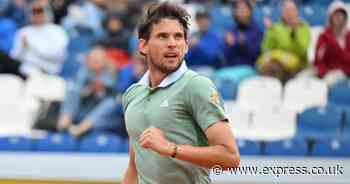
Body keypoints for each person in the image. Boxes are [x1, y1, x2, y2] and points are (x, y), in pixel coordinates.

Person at [121, 3, 240, 184]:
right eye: (163, 36)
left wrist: (171, 148)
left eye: (178, 37)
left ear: (186, 46)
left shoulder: (196, 86)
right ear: (143, 46)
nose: (172, 44)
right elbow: (134, 167)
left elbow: (230, 158)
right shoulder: (132, 94)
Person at [57, 46, 117, 137]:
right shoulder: (84, 71)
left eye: (97, 59)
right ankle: (64, 122)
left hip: (103, 116)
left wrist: (100, 89)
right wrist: (88, 90)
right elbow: (78, 91)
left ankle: (80, 129)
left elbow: (114, 95)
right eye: (92, 59)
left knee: (110, 103)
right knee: (72, 88)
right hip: (84, 108)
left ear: (104, 61)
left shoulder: (111, 73)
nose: (94, 62)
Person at [10, 0, 68, 77]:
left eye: (40, 11)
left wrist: (31, 45)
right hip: (24, 73)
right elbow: (14, 56)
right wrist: (23, 48)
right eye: (34, 12)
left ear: (47, 12)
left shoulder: (58, 31)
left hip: (48, 74)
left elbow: (57, 55)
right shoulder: (23, 32)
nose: (36, 15)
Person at [257, 0, 310, 82]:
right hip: (275, 62)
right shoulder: (275, 27)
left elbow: (301, 51)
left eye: (291, 10)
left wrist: (294, 33)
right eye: (286, 10)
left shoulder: (303, 27)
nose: (289, 13)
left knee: (272, 69)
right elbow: (265, 49)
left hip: (297, 64)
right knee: (270, 67)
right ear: (282, 12)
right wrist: (269, 31)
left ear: (297, 12)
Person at [314, 0, 350, 82]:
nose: (339, 17)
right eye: (336, 15)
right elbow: (318, 60)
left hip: (346, 72)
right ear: (330, 17)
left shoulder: (349, 36)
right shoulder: (323, 37)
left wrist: (338, 51)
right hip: (329, 73)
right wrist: (324, 72)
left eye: (342, 15)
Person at [223, 0, 263, 67]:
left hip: (249, 67)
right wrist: (230, 45)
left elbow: (257, 56)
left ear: (250, 11)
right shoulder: (231, 30)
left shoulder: (257, 30)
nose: (240, 12)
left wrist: (244, 44)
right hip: (231, 67)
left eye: (243, 9)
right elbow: (226, 57)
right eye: (238, 9)